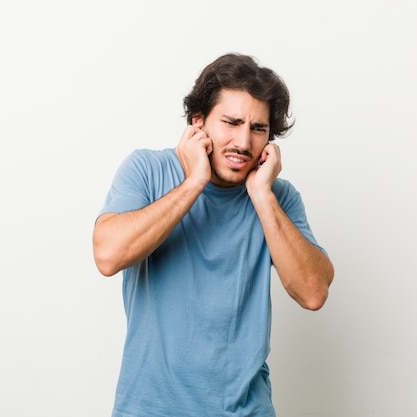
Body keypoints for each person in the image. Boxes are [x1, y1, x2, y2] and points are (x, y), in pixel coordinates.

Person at [92, 53, 334, 417]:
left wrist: (262, 196)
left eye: (258, 128)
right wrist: (194, 182)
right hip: (149, 409)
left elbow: (313, 292)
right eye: (232, 122)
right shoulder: (147, 170)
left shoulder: (278, 197)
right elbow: (108, 256)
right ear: (199, 121)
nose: (243, 142)